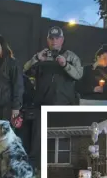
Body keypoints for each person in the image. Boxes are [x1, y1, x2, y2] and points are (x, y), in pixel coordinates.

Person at [23, 26, 83, 170]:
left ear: (62, 40)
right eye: (51, 38)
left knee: (59, 137)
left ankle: (52, 166)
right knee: (37, 139)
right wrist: (37, 59)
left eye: (57, 38)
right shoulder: (42, 55)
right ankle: (33, 170)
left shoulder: (71, 56)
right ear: (48, 40)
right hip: (41, 105)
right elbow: (24, 70)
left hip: (63, 105)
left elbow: (79, 75)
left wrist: (65, 65)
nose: (54, 41)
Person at [0, 35, 24, 178]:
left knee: (7, 141)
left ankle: (9, 171)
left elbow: (18, 86)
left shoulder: (12, 63)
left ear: (4, 47)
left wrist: (16, 107)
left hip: (8, 108)